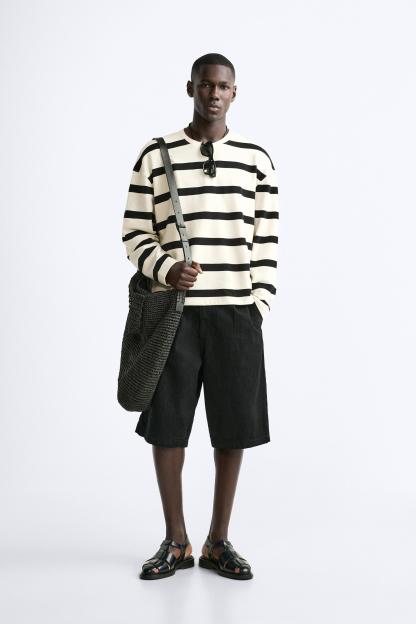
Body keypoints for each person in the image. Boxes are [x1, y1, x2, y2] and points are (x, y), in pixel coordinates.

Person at [121, 52, 279, 581]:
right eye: (206, 84)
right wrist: (166, 268)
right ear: (190, 88)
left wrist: (259, 303)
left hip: (236, 315)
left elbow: (266, 238)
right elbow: (133, 231)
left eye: (224, 86)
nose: (214, 93)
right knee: (168, 427)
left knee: (233, 428)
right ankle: (176, 540)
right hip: (174, 316)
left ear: (235, 92)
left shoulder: (255, 159)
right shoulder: (156, 154)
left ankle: (218, 541)